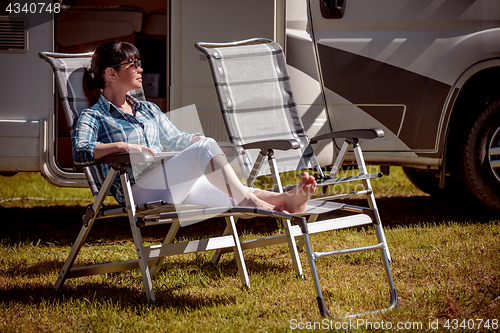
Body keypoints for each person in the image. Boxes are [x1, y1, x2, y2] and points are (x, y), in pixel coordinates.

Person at [73, 41, 317, 213]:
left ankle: (287, 199)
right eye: (132, 64)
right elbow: (80, 151)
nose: (140, 69)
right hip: (135, 191)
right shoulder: (93, 116)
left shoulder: (147, 109)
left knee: (224, 186)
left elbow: (176, 139)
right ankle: (251, 202)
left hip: (167, 183)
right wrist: (121, 146)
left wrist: (195, 140)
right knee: (210, 156)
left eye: (139, 62)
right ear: (111, 74)